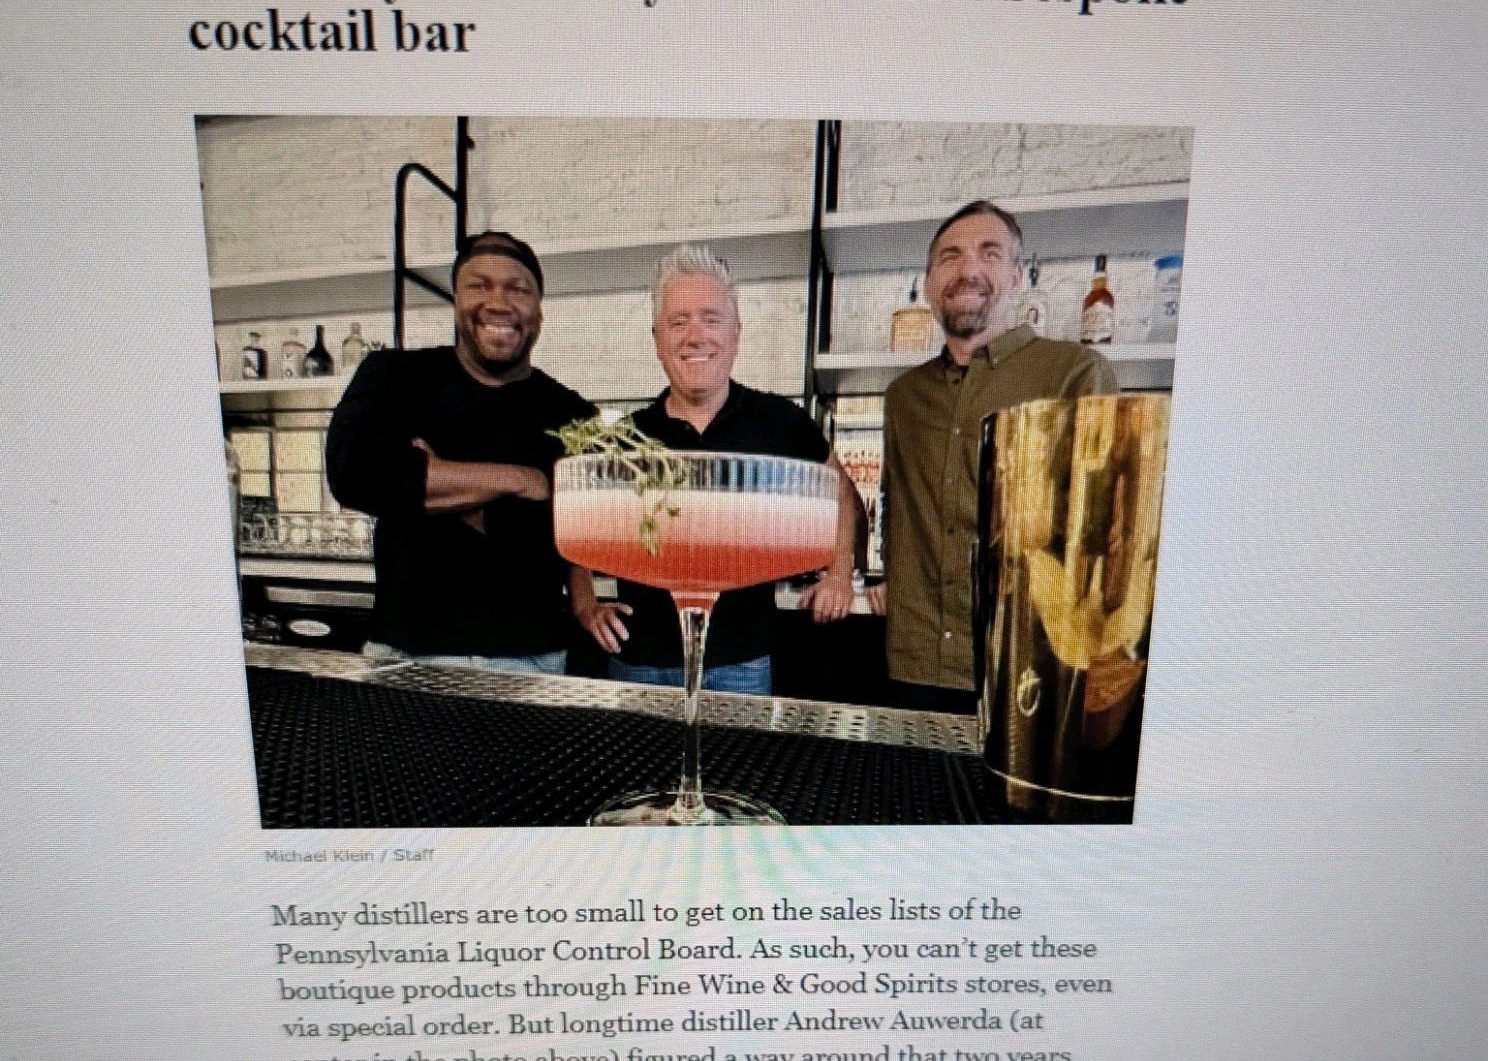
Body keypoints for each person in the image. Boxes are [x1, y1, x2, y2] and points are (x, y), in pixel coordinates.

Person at [569, 244, 862, 695]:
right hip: (640, 658)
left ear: (736, 332)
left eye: (711, 318)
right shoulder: (626, 436)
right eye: (678, 321)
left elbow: (840, 493)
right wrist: (586, 605)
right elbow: (580, 522)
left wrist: (839, 572)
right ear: (657, 339)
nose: (695, 336)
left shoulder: (780, 421)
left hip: (741, 659)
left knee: (738, 767)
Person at [871, 201, 1117, 713]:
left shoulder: (1074, 372)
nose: (967, 270)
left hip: (1029, 664)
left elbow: (1103, 528)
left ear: (1017, 273)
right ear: (930, 277)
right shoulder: (904, 396)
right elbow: (896, 502)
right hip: (919, 665)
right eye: (950, 256)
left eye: (989, 253)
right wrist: (888, 574)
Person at [326, 230, 593, 674]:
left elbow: (578, 527)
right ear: (455, 302)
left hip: (533, 659)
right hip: (406, 655)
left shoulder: (570, 412)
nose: (499, 301)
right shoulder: (393, 377)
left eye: (518, 288)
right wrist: (522, 479)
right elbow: (355, 474)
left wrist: (431, 476)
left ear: (538, 313)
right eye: (479, 285)